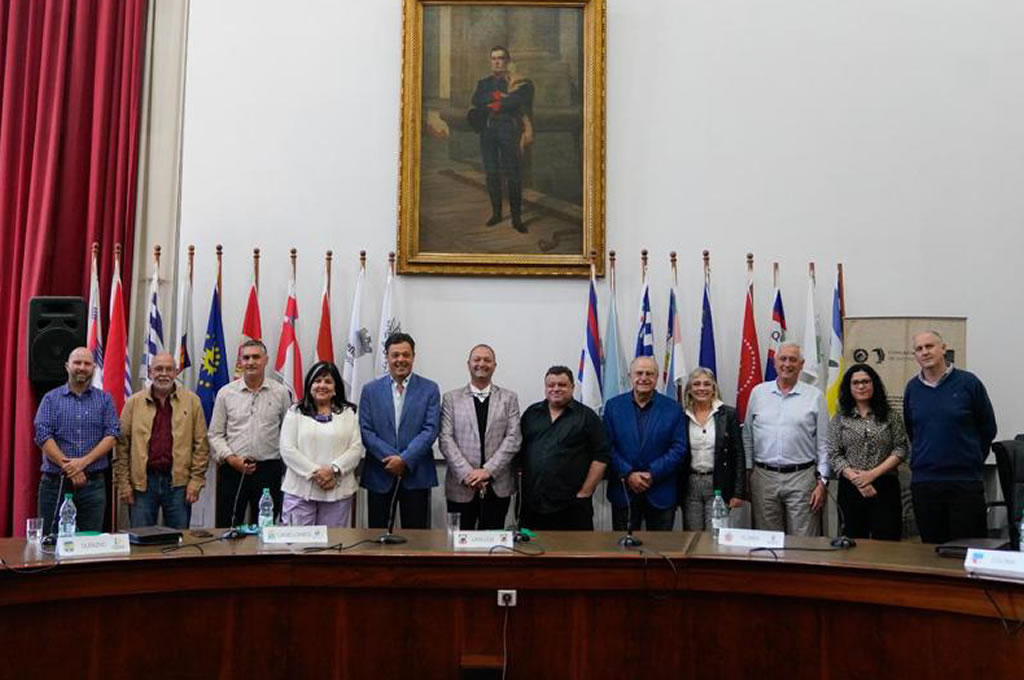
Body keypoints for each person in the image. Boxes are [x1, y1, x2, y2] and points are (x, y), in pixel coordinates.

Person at [903, 330, 997, 543]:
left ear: (943, 348)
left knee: (968, 549)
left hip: (964, 483)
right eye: (919, 349)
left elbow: (988, 428)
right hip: (925, 484)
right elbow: (912, 430)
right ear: (915, 355)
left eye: (930, 346)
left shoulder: (969, 383)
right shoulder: (912, 388)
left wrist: (969, 458)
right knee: (931, 552)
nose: (925, 352)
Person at [743, 343, 830, 535]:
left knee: (804, 540)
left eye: (793, 359)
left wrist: (822, 482)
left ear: (801, 365)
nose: (787, 364)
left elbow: (824, 443)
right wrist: (748, 473)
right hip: (763, 477)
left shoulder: (815, 397)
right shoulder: (758, 393)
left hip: (802, 477)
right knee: (767, 542)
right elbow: (747, 435)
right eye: (783, 359)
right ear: (775, 363)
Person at [114, 352, 209, 529]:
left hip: (179, 485)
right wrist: (124, 484)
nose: (163, 373)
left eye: (168, 369)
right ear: (150, 372)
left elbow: (201, 445)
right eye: (158, 369)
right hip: (142, 485)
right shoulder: (133, 403)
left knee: (178, 543)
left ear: (176, 373)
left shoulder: (192, 402)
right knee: (141, 543)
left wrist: (196, 481)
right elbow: (122, 447)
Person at [33, 347, 120, 534]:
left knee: (90, 542)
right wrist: (70, 468)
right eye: (77, 363)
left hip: (93, 485)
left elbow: (112, 434)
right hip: (55, 484)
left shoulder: (105, 400)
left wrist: (82, 463)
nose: (82, 367)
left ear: (94, 368)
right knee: (50, 541)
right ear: (67, 366)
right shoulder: (50, 399)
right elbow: (42, 435)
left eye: (87, 363)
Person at [359, 332, 440, 529]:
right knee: (377, 539)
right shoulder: (370, 390)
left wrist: (405, 459)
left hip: (416, 474)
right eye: (395, 355)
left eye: (406, 355)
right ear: (387, 357)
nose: (400, 360)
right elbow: (366, 430)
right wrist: (392, 459)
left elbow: (430, 429)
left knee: (417, 539)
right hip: (380, 473)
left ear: (413, 356)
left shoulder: (429, 389)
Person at [208, 340, 292, 527]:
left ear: (266, 360)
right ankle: (229, 557)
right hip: (232, 469)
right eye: (246, 357)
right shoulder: (226, 393)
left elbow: (288, 433)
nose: (251, 362)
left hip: (268, 470)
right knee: (228, 527)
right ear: (240, 361)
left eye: (256, 357)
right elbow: (215, 434)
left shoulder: (280, 393)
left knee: (265, 528)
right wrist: (231, 459)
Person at [439, 344, 521, 530]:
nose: (481, 364)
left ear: (494, 365)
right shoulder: (451, 398)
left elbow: (513, 437)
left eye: (487, 360)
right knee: (459, 545)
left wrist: (487, 471)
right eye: (477, 359)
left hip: (497, 485)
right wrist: (468, 474)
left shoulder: (509, 398)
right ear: (468, 364)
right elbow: (445, 439)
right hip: (462, 485)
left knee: (493, 546)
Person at [519, 366, 610, 530]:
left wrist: (586, 492)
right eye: (551, 385)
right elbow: (519, 451)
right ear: (545, 388)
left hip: (572, 506)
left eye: (562, 385)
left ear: (572, 387)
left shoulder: (587, 417)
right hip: (532, 506)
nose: (556, 389)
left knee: (572, 553)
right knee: (530, 551)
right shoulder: (531, 414)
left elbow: (601, 457)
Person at [604, 356, 687, 531]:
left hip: (661, 490)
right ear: (630, 376)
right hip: (624, 491)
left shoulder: (673, 408)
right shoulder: (613, 407)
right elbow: (607, 446)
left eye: (649, 373)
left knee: (661, 550)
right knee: (623, 552)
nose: (644, 378)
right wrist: (628, 474)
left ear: (657, 377)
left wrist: (651, 473)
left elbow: (679, 448)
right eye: (639, 373)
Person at [827, 363, 907, 541]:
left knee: (887, 543)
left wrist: (871, 475)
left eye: (866, 381)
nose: (861, 386)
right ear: (849, 387)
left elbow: (901, 448)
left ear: (874, 384)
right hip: (851, 487)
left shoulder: (890, 415)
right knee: (853, 542)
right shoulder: (840, 418)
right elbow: (833, 453)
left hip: (885, 486)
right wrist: (859, 481)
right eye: (855, 383)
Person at [279, 361, 364, 527]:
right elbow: (287, 449)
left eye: (328, 381)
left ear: (335, 387)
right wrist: (317, 472)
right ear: (310, 384)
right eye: (317, 381)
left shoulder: (348, 413)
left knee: (332, 546)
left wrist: (333, 470)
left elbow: (356, 448)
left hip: (337, 489)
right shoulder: (295, 412)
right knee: (297, 546)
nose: (322, 385)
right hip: (300, 490)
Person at [469, 45, 534, 234]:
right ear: (490, 62)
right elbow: (476, 99)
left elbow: (517, 100)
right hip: (488, 131)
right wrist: (499, 96)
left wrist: (493, 103)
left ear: (507, 61)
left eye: (501, 58)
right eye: (494, 58)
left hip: (508, 130)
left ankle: (516, 219)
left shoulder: (518, 81)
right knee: (491, 173)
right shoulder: (483, 83)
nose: (497, 62)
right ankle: (496, 214)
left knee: (513, 174)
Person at [679, 367, 746, 531]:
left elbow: (738, 454)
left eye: (706, 384)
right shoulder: (681, 415)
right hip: (690, 484)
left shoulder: (727, 414)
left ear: (713, 388)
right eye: (696, 384)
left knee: (715, 534)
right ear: (689, 389)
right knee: (692, 535)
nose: (701, 388)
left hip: (718, 483)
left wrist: (738, 492)